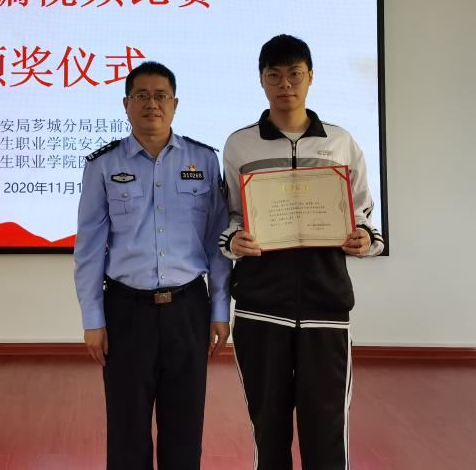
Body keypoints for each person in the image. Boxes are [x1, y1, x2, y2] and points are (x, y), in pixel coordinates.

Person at [220, 34, 384, 470]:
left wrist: (364, 239)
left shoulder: (341, 142)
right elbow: (231, 215)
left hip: (325, 309)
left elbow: (364, 216)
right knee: (268, 429)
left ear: (310, 77)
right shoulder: (239, 145)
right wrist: (234, 241)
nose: (285, 85)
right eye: (274, 75)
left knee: (326, 431)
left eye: (294, 74)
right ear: (261, 80)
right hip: (260, 309)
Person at [74, 61, 232, 470]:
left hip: (188, 309)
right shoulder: (103, 165)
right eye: (141, 95)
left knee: (185, 428)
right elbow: (89, 248)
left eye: (161, 96)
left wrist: (220, 309)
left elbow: (217, 243)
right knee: (127, 430)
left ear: (175, 104)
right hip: (126, 312)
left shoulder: (204, 160)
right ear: (126, 104)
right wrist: (93, 319)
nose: (152, 104)